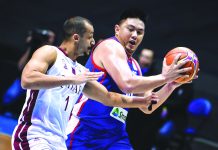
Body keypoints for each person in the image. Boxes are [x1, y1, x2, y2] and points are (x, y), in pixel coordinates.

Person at [11, 16, 160, 150]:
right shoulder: (50, 52)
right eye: (90, 37)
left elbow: (109, 98)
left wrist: (142, 101)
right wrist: (71, 79)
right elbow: (27, 79)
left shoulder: (81, 72)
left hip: (59, 141)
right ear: (77, 37)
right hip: (34, 135)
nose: (93, 42)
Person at [66, 9, 193, 149]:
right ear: (117, 29)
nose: (134, 35)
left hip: (115, 136)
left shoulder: (135, 66)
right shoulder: (110, 46)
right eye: (130, 29)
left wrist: (171, 85)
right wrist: (164, 77)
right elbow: (127, 84)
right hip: (85, 130)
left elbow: (147, 106)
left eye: (139, 32)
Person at [1, 29, 56, 117]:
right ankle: (3, 111)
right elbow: (20, 66)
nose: (49, 39)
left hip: (38, 82)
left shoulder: (53, 52)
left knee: (32, 102)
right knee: (10, 95)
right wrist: (31, 46)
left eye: (50, 37)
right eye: (47, 36)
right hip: (23, 77)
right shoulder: (34, 47)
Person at [127, 48, 164, 150]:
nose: (143, 59)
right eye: (142, 56)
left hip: (146, 118)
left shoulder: (156, 77)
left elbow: (154, 100)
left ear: (152, 61)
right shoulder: (132, 70)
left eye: (147, 58)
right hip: (130, 112)